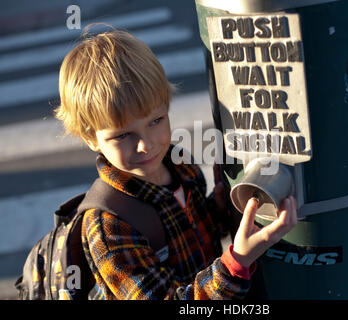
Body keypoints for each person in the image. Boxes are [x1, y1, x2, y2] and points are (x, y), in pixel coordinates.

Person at [54, 27, 297, 300]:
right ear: (91, 138)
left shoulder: (179, 166)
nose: (146, 144)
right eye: (122, 135)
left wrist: (222, 203)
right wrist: (237, 261)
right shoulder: (109, 225)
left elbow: (199, 232)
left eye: (156, 121)